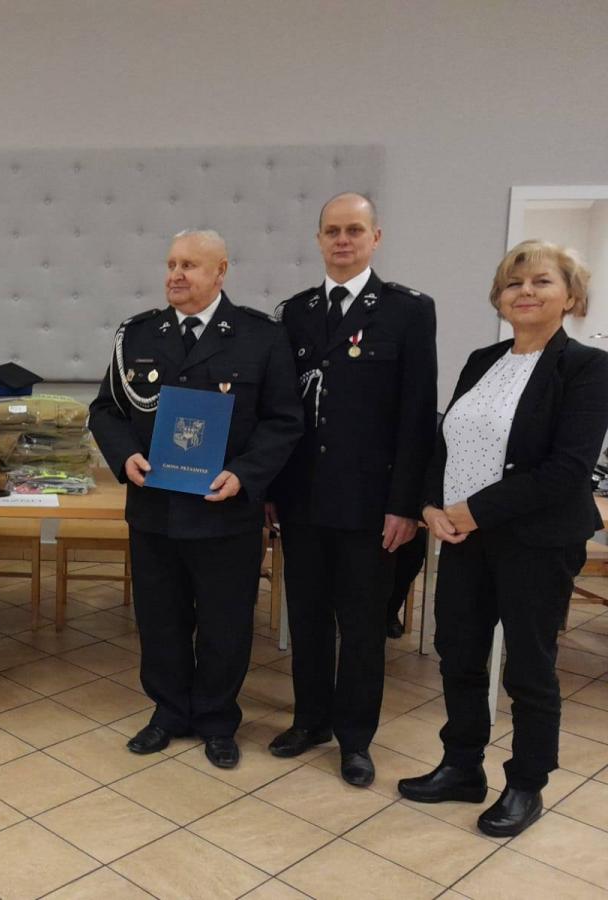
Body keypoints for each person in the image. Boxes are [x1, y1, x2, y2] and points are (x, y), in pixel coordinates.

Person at [399, 241, 608, 836]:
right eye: (514, 283)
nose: (526, 292)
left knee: (529, 667)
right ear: (499, 296)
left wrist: (472, 511)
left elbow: (567, 470)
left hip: (536, 541)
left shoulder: (588, 368)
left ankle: (526, 784)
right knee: (459, 654)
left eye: (542, 281)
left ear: (570, 296)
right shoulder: (482, 359)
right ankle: (462, 766)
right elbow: (445, 443)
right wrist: (430, 505)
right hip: (463, 538)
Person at [88, 230, 302, 768]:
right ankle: (168, 712)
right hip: (155, 510)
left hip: (224, 510)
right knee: (160, 619)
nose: (176, 275)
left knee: (225, 623)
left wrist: (244, 474)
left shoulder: (260, 336)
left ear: (220, 271)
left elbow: (283, 421)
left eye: (189, 265)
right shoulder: (138, 334)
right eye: (171, 264)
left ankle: (216, 718)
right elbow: (106, 410)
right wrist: (124, 456)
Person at [268, 192, 437, 786]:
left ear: (375, 238)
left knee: (363, 627)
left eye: (355, 230)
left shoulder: (407, 311)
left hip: (371, 504)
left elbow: (417, 414)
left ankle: (356, 739)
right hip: (303, 499)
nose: (343, 240)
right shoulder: (294, 313)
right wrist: (271, 490)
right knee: (308, 617)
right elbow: (281, 411)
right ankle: (310, 720)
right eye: (333, 231)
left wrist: (406, 504)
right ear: (319, 239)